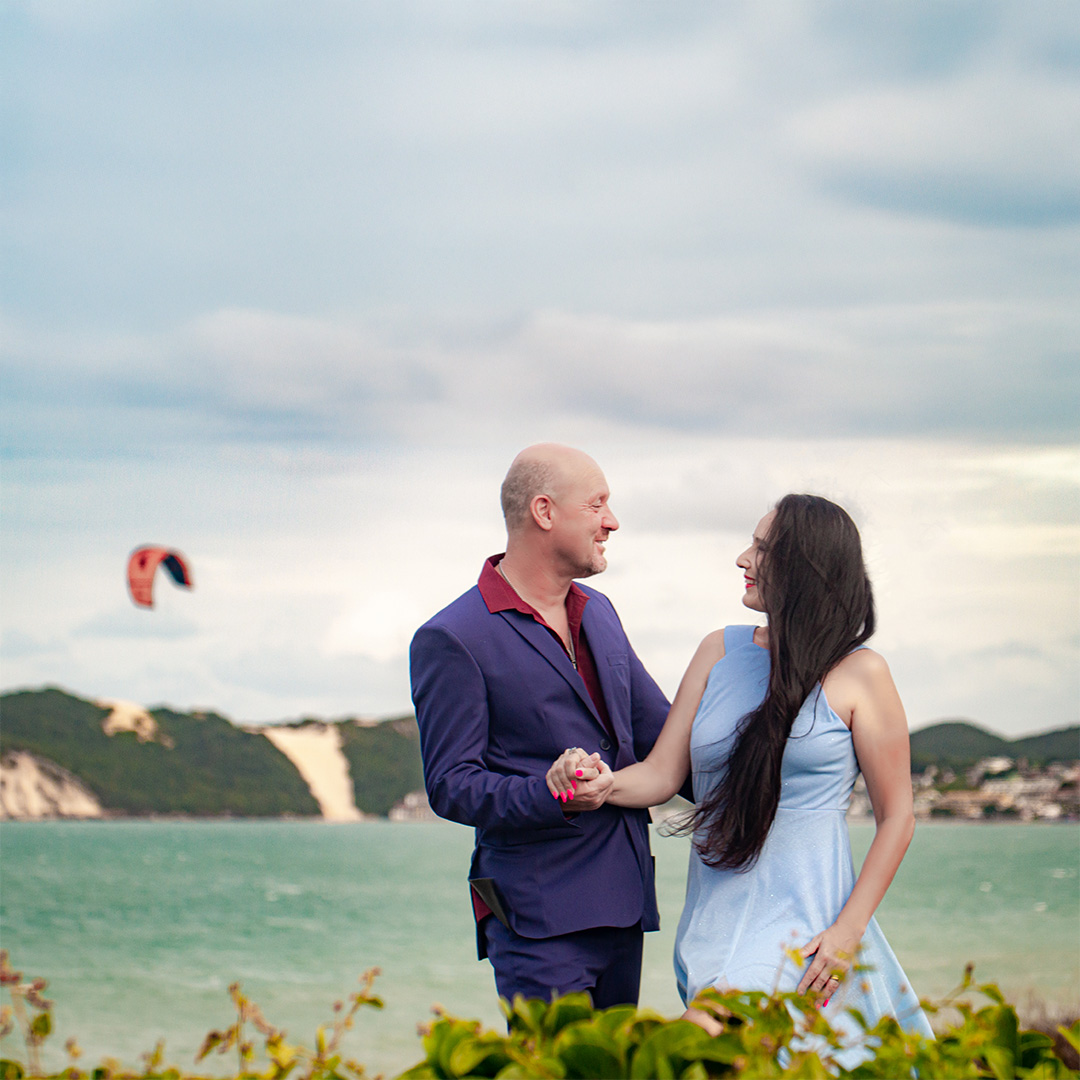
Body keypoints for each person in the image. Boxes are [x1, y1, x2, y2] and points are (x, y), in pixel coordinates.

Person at [547, 494, 934, 1048]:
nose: (742, 559)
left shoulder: (862, 673)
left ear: (805, 568)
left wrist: (847, 934)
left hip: (808, 929)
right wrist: (600, 784)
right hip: (713, 921)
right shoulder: (717, 651)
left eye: (762, 547)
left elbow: (897, 816)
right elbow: (660, 775)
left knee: (686, 1047)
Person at [409, 444, 677, 1009]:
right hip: (537, 919)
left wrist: (772, 781)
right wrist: (551, 793)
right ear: (544, 511)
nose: (612, 522)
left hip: (625, 904)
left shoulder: (599, 610)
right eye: (598, 504)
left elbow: (661, 736)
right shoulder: (452, 637)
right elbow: (450, 785)